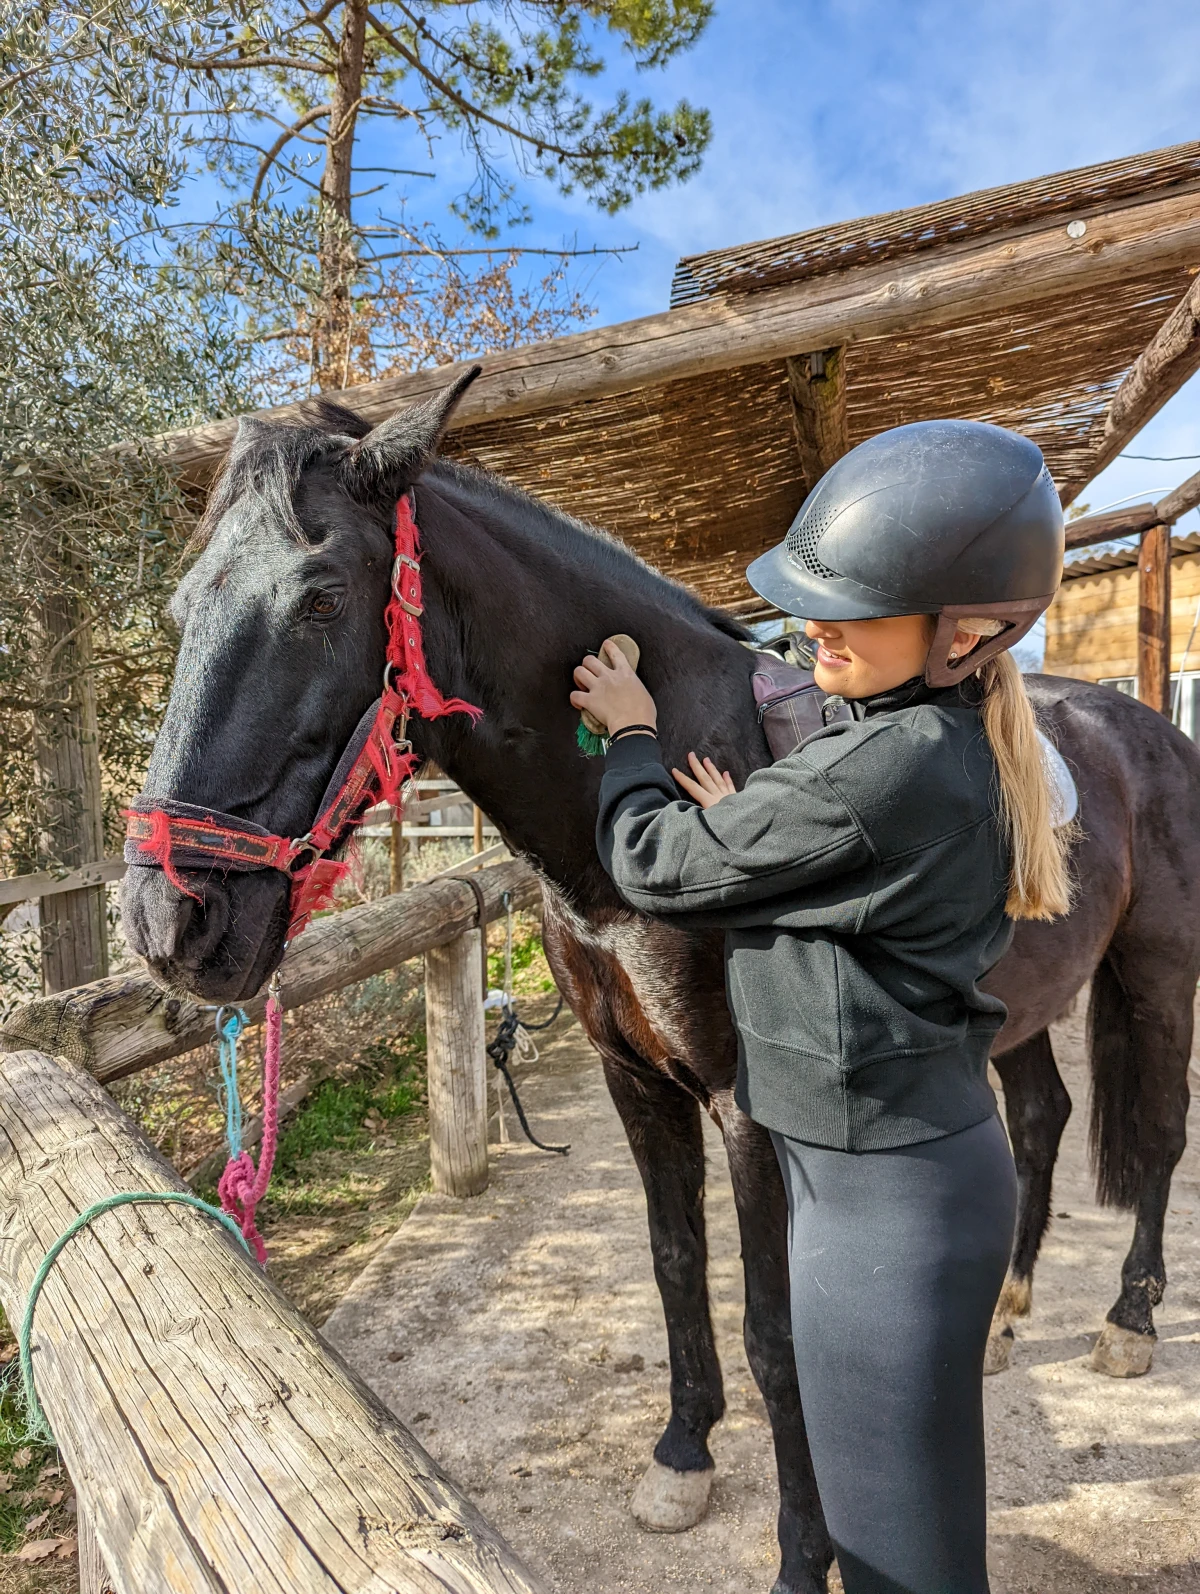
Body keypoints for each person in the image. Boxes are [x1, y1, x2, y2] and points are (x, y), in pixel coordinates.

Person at [569, 419, 1071, 1594]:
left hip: (883, 1212)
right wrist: (754, 824)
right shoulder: (931, 739)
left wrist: (632, 734)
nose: (812, 629)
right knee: (897, 1530)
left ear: (965, 632)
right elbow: (840, 865)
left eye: (853, 609)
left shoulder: (884, 768)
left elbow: (650, 862)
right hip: (903, 1179)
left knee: (898, 1558)